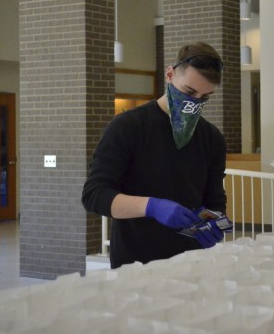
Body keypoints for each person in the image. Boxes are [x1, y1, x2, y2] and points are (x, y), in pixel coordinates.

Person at [82, 42, 228, 269]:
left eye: (204, 97)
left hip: (192, 261)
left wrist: (215, 223)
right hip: (136, 263)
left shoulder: (212, 138)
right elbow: (94, 195)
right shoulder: (128, 127)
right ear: (170, 74)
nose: (194, 102)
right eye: (189, 92)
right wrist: (151, 206)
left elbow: (215, 199)